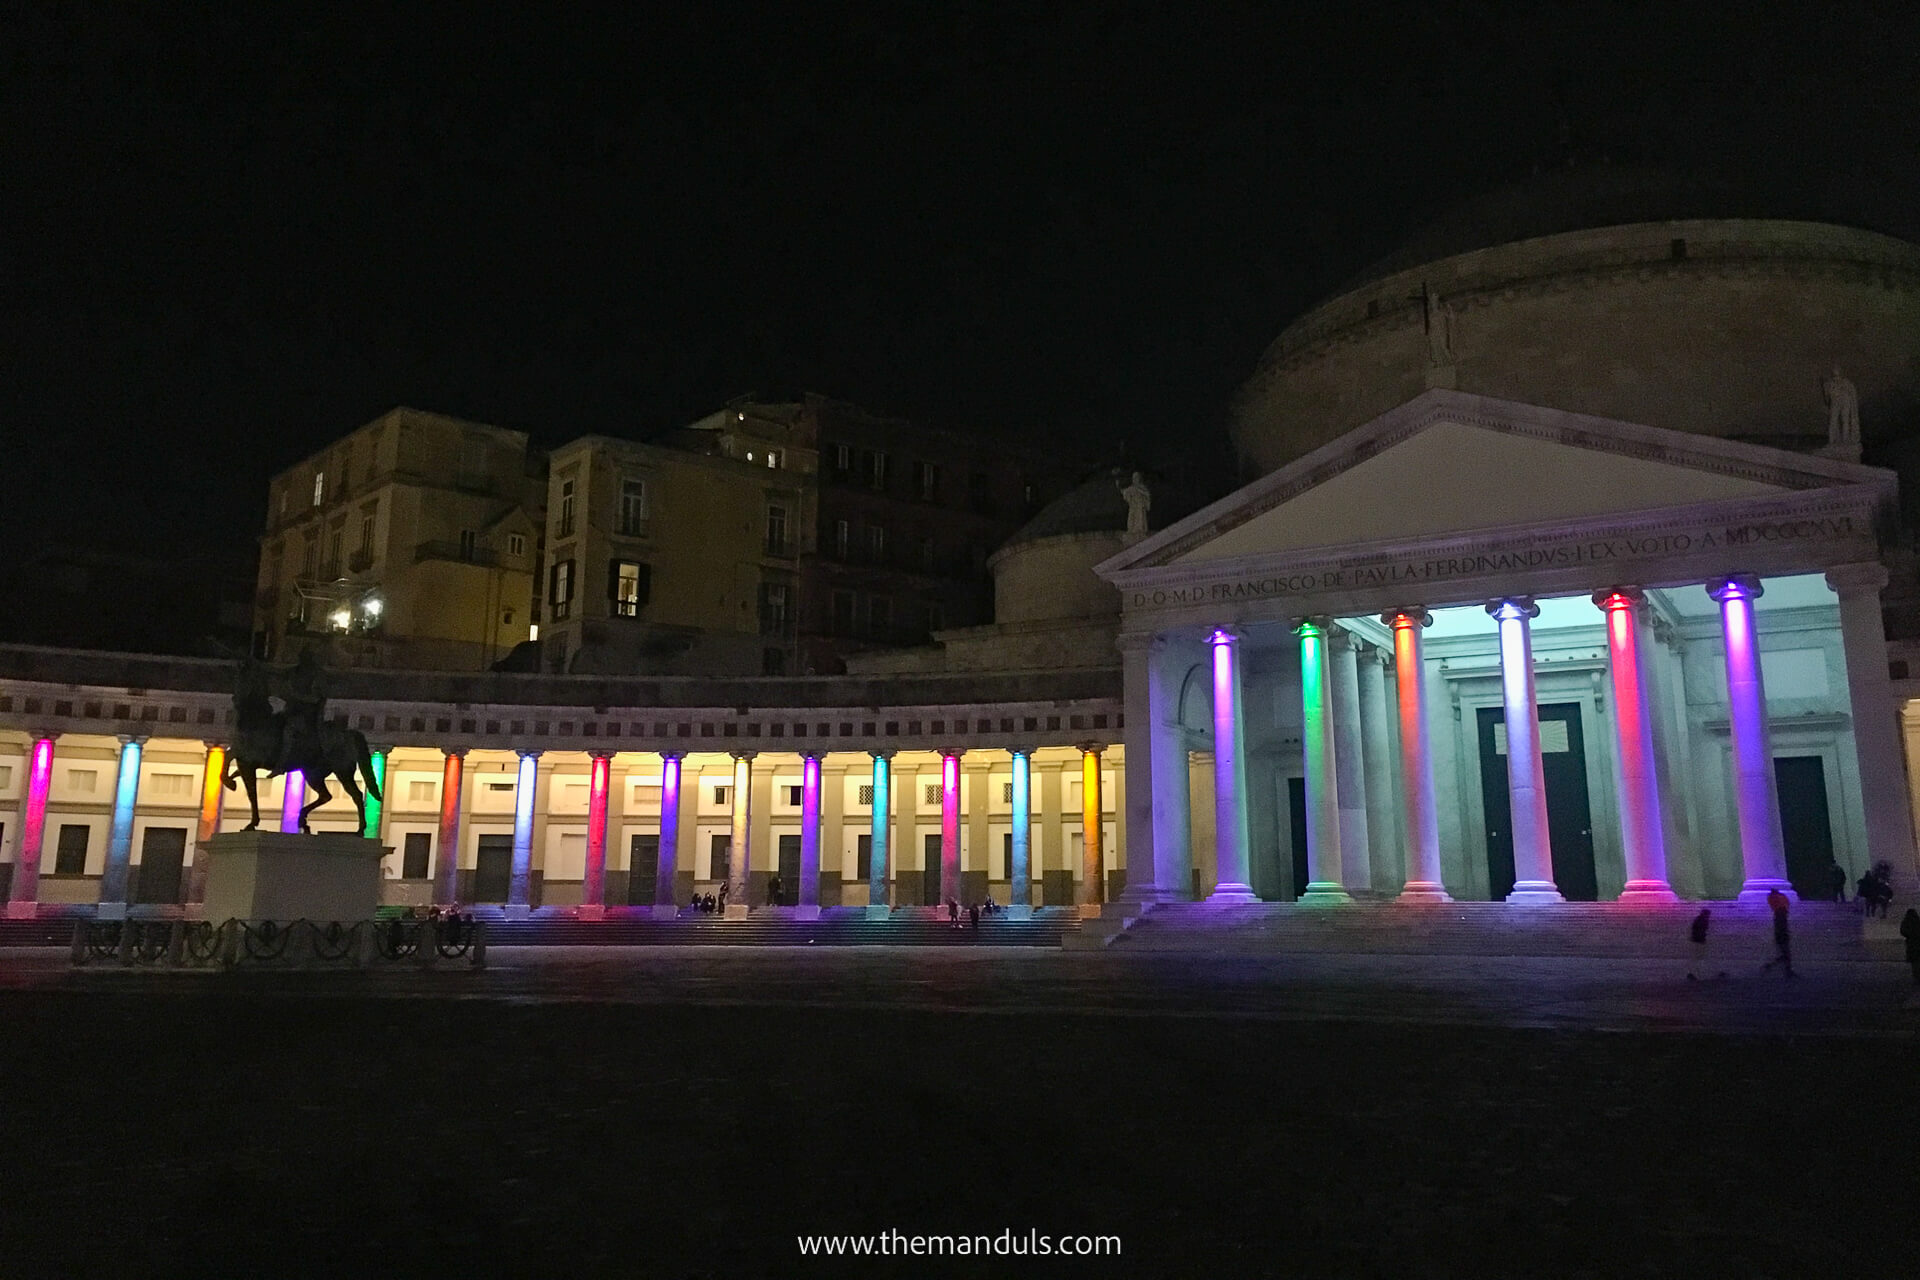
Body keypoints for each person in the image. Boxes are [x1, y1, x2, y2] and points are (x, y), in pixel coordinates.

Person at [1762, 887, 1795, 978]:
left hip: (1780, 935)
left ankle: (1772, 966)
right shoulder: (1781, 908)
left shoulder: (1774, 903)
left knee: (1783, 954)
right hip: (1782, 936)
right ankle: (1785, 970)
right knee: (1785, 954)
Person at [1686, 908, 1711, 980]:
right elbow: (1701, 930)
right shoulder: (1703, 921)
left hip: (1696, 940)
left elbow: (1694, 929)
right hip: (1699, 940)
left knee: (1695, 957)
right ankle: (1695, 974)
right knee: (1697, 957)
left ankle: (1692, 973)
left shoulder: (1698, 919)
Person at [1901, 909, 1920, 987]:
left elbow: (1903, 931)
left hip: (1911, 944)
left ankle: (1916, 977)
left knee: (1914, 962)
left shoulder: (1906, 922)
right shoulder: (1918, 921)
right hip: (1918, 944)